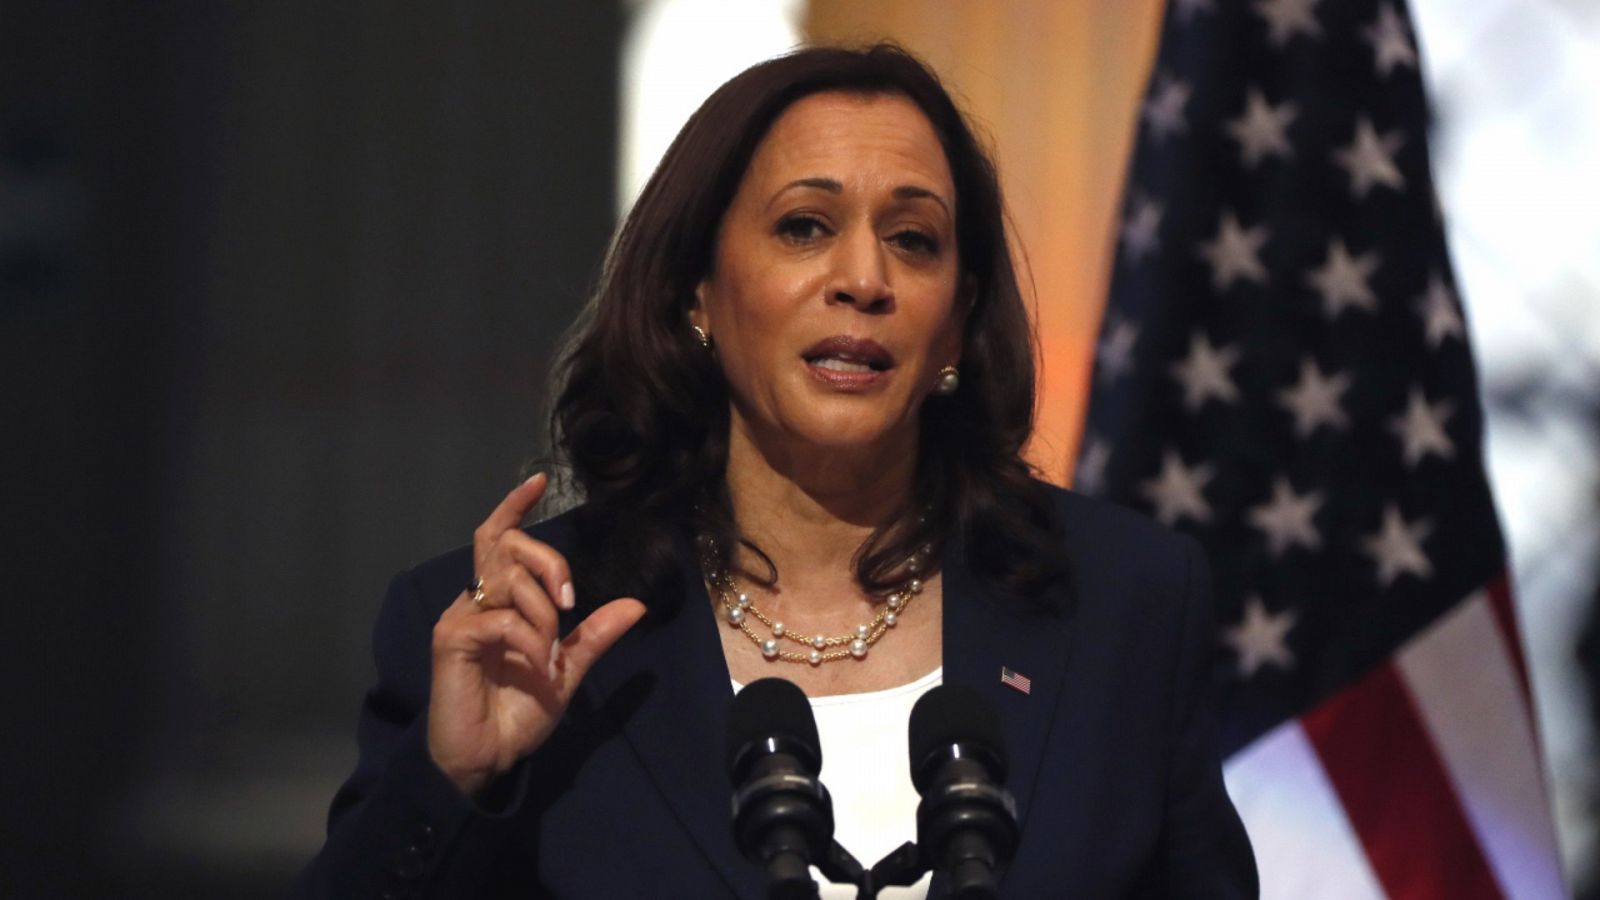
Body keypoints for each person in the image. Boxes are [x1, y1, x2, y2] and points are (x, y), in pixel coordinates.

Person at [297, 44, 1257, 899]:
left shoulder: (1125, 603)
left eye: (913, 239)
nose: (864, 279)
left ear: (957, 320)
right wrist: (452, 780)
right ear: (696, 293)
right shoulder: (529, 634)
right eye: (804, 226)